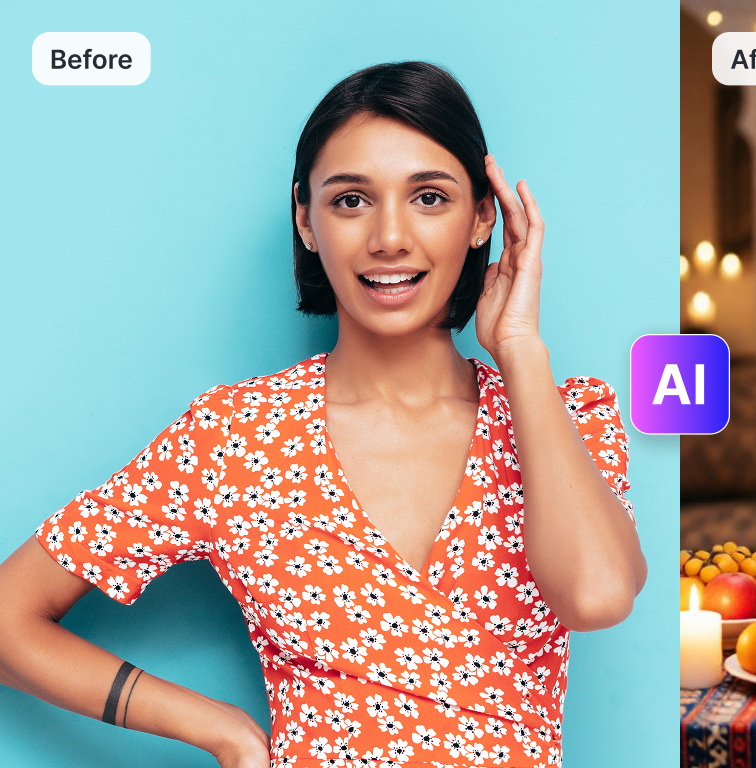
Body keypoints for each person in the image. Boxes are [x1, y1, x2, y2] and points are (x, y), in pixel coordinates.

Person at [0, 61, 646, 768]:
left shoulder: (562, 414)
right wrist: (217, 727)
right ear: (306, 220)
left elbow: (597, 596)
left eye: (429, 197)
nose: (390, 237)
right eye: (350, 201)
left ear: (483, 218)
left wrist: (521, 349)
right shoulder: (236, 437)